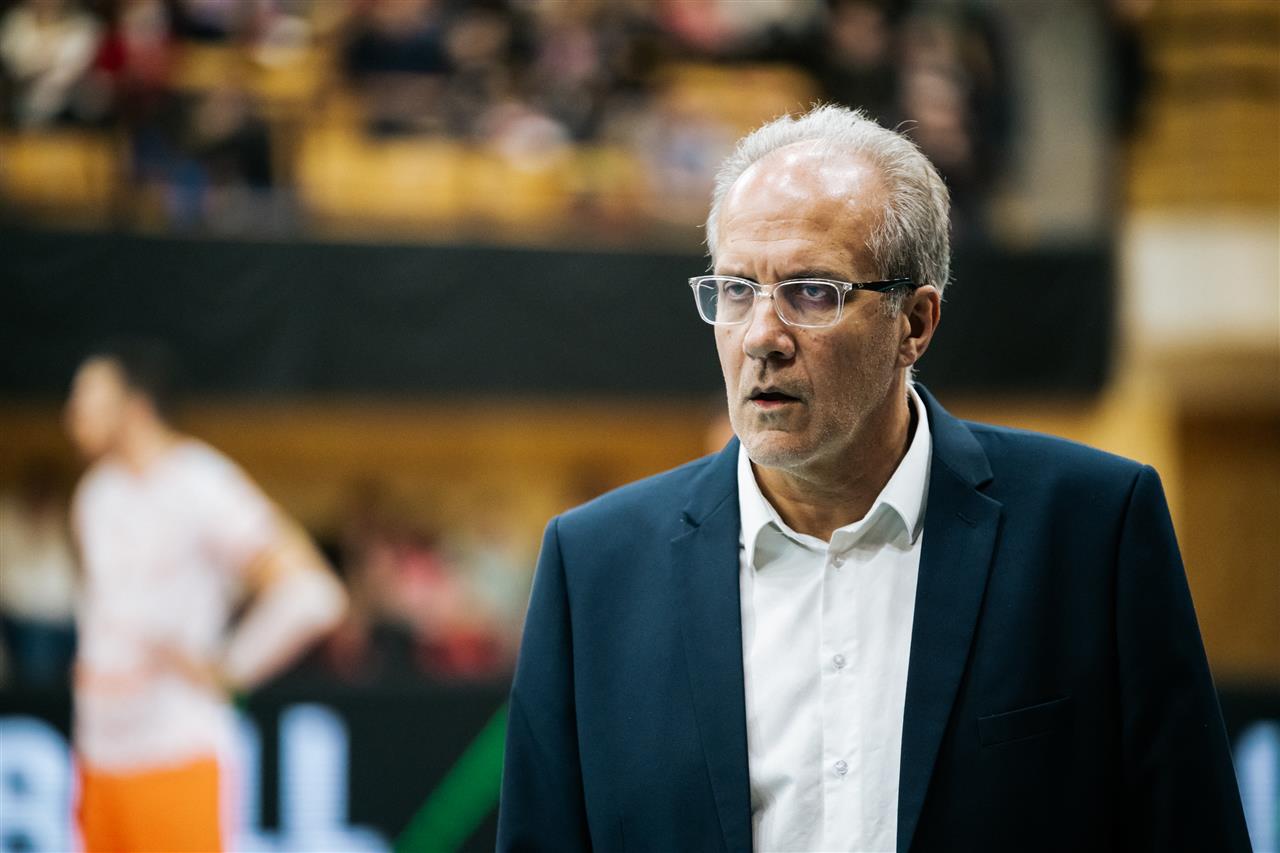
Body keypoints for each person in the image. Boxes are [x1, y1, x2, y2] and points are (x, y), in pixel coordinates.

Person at [497, 105, 1250, 852]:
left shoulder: (1093, 528)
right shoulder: (593, 568)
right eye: (736, 289)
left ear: (914, 323)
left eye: (811, 291)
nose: (762, 337)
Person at [64, 342, 347, 853]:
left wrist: (231, 667)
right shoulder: (96, 494)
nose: (72, 414)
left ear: (135, 407)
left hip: (174, 753)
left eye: (87, 398)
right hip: (98, 757)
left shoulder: (199, 483)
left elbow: (313, 594)